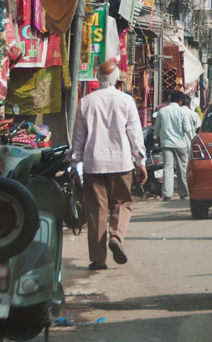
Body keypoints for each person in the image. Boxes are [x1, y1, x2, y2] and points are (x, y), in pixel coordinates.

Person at [68, 60, 146, 271]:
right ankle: (116, 236)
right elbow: (134, 133)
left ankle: (98, 260)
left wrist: (75, 164)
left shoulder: (85, 102)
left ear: (97, 78)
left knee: (96, 210)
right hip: (121, 162)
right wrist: (140, 161)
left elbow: (78, 139)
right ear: (116, 79)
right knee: (122, 202)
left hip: (93, 164)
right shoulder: (126, 101)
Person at [153, 90, 198, 201]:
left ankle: (167, 194)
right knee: (182, 167)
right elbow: (187, 128)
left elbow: (157, 129)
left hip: (166, 143)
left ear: (170, 99)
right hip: (180, 143)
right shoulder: (182, 112)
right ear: (180, 101)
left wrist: (159, 138)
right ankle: (184, 192)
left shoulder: (162, 111)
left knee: (167, 167)